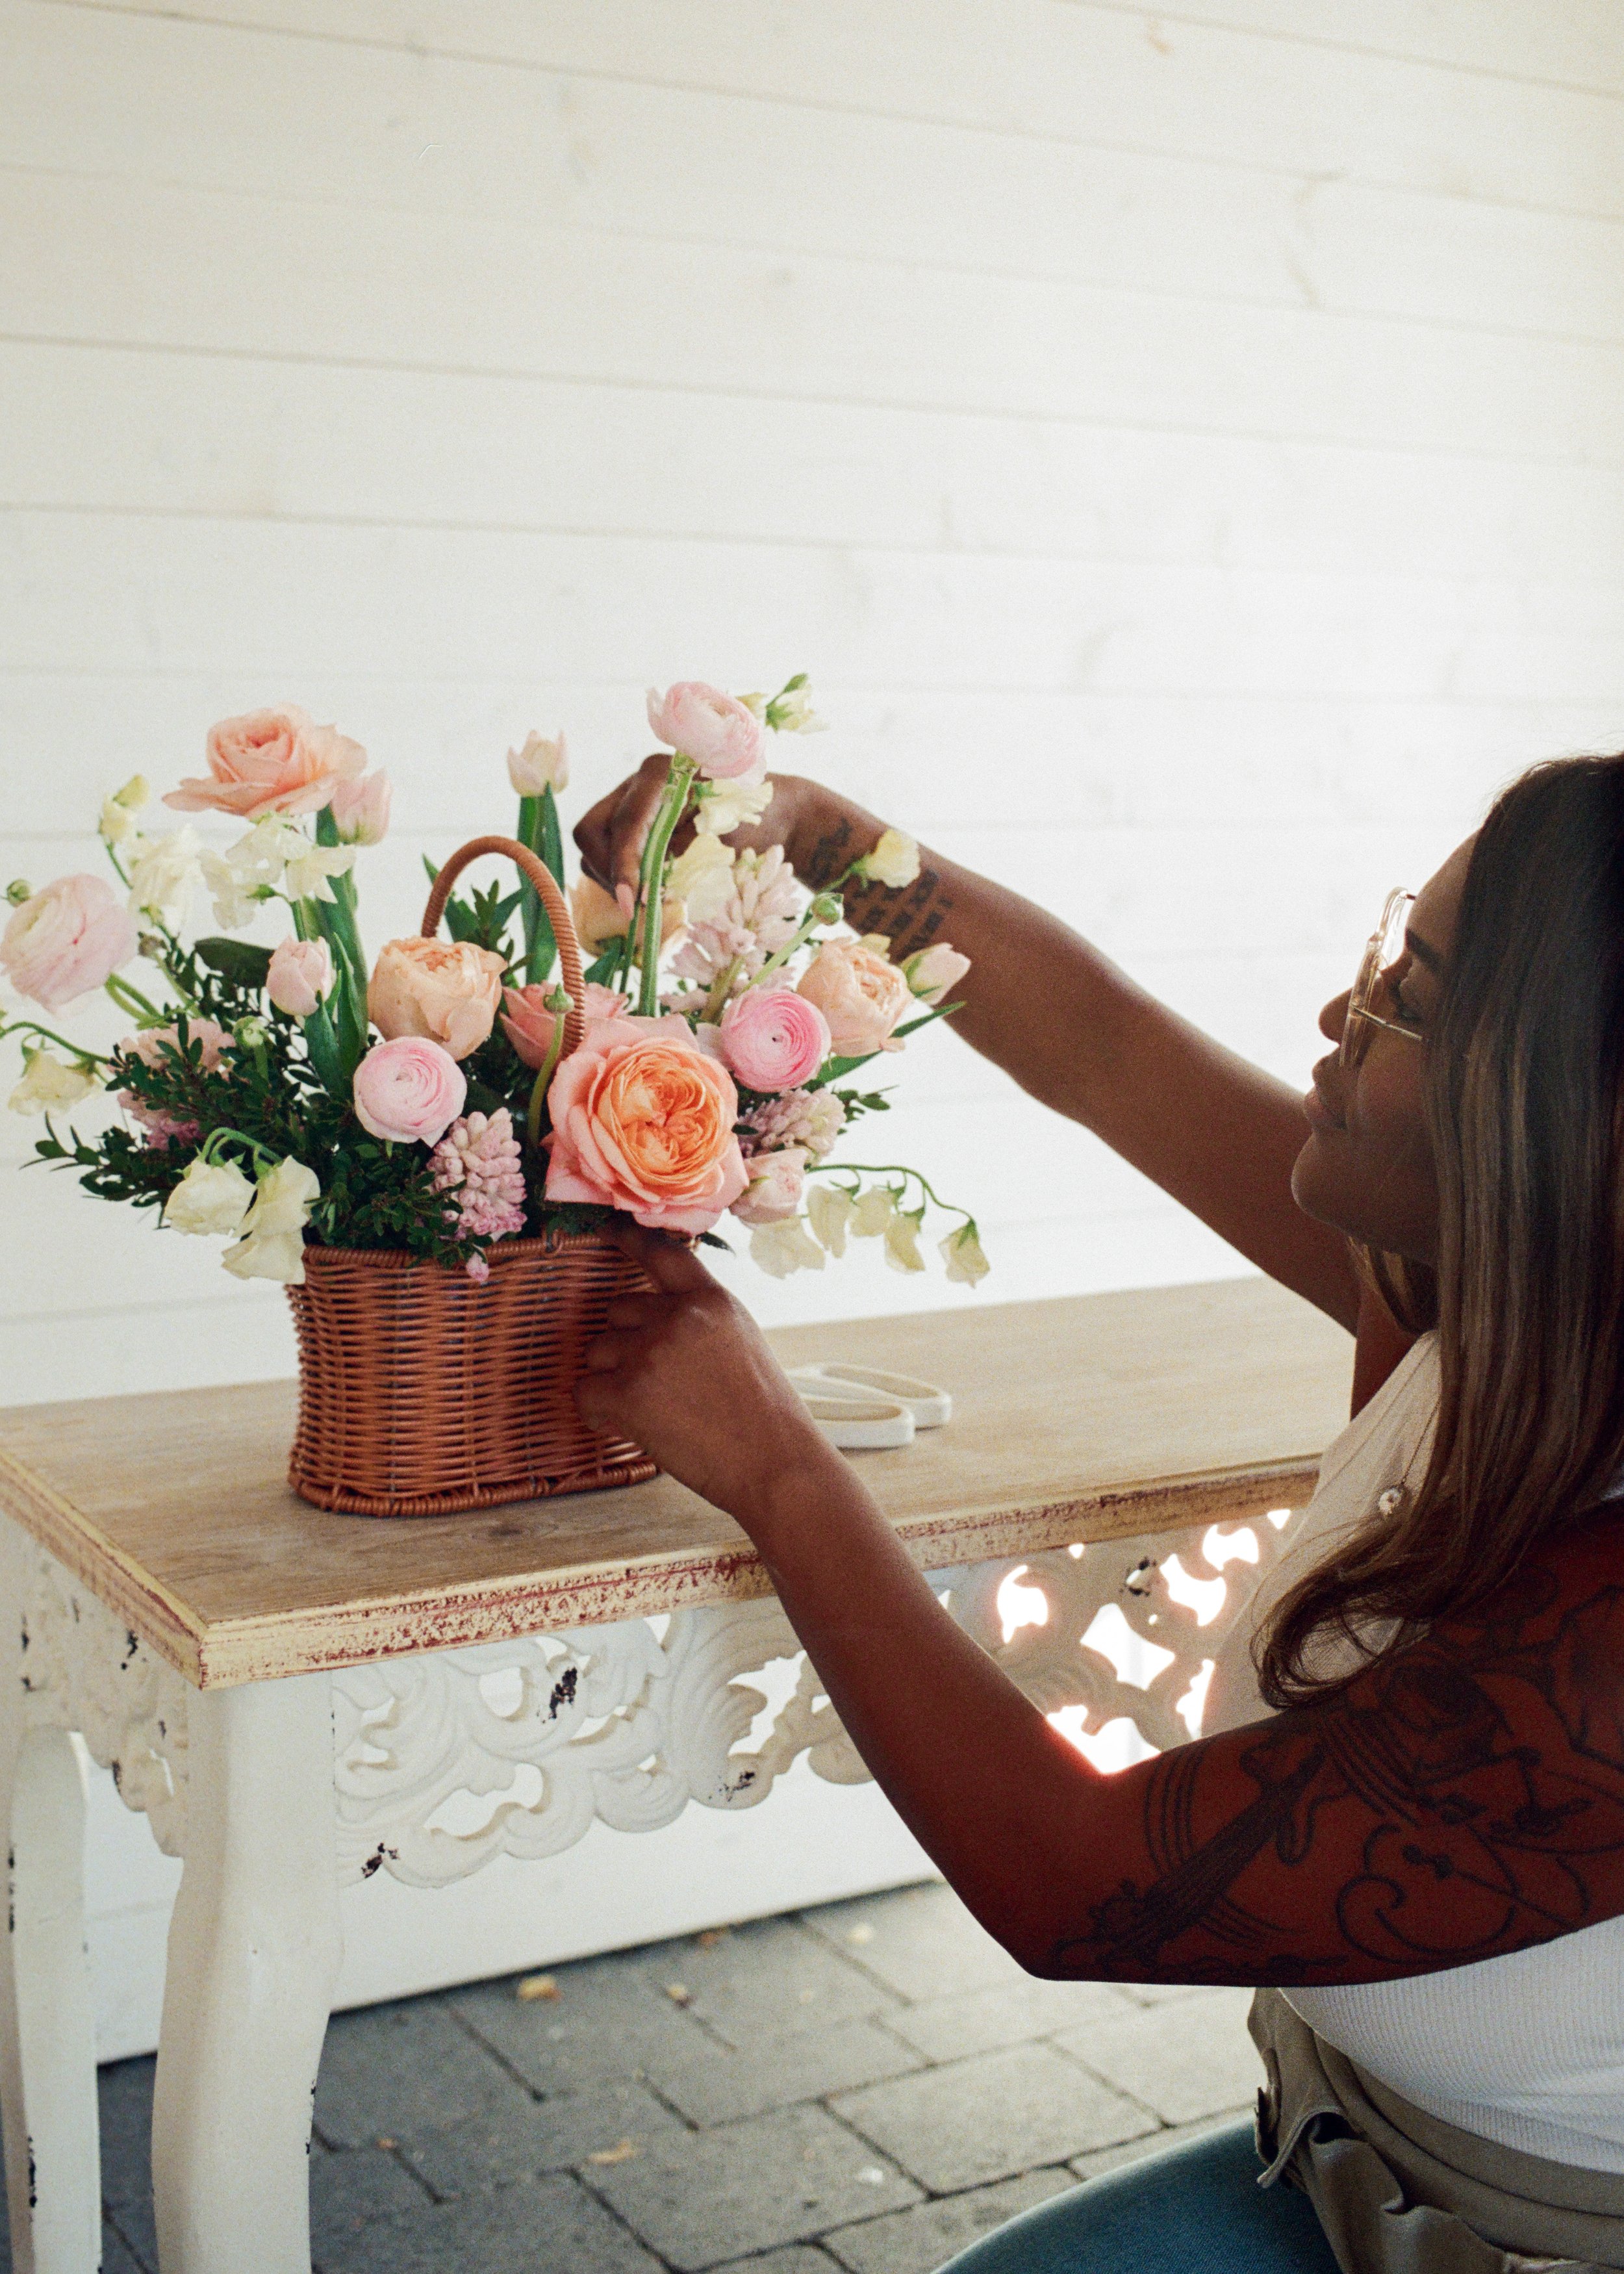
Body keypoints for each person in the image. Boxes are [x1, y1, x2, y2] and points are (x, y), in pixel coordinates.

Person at [569, 749, 1624, 2272]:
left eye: (1410, 994)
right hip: (1345, 2163)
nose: (1339, 1017)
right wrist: (819, 837)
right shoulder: (1483, 1303)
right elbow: (1106, 1052)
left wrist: (776, 1464)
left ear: (1560, 1116)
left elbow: (1072, 1883)